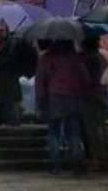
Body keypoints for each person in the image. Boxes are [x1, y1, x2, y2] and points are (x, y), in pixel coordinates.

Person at [35, 40, 89, 175]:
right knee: (74, 133)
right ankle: (77, 164)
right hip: (73, 98)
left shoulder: (47, 58)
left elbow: (40, 81)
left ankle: (55, 165)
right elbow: (85, 78)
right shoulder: (76, 58)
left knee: (54, 133)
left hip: (54, 98)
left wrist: (40, 102)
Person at [80, 36, 108, 173]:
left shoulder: (90, 60)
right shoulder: (102, 58)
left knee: (94, 131)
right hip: (102, 96)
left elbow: (87, 79)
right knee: (102, 129)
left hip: (91, 97)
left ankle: (100, 160)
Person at [0, 25, 25, 126]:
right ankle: (3, 121)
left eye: (1, 30)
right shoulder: (0, 42)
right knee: (1, 101)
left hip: (8, 78)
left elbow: (11, 58)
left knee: (9, 102)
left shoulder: (11, 43)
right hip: (0, 78)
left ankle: (11, 122)